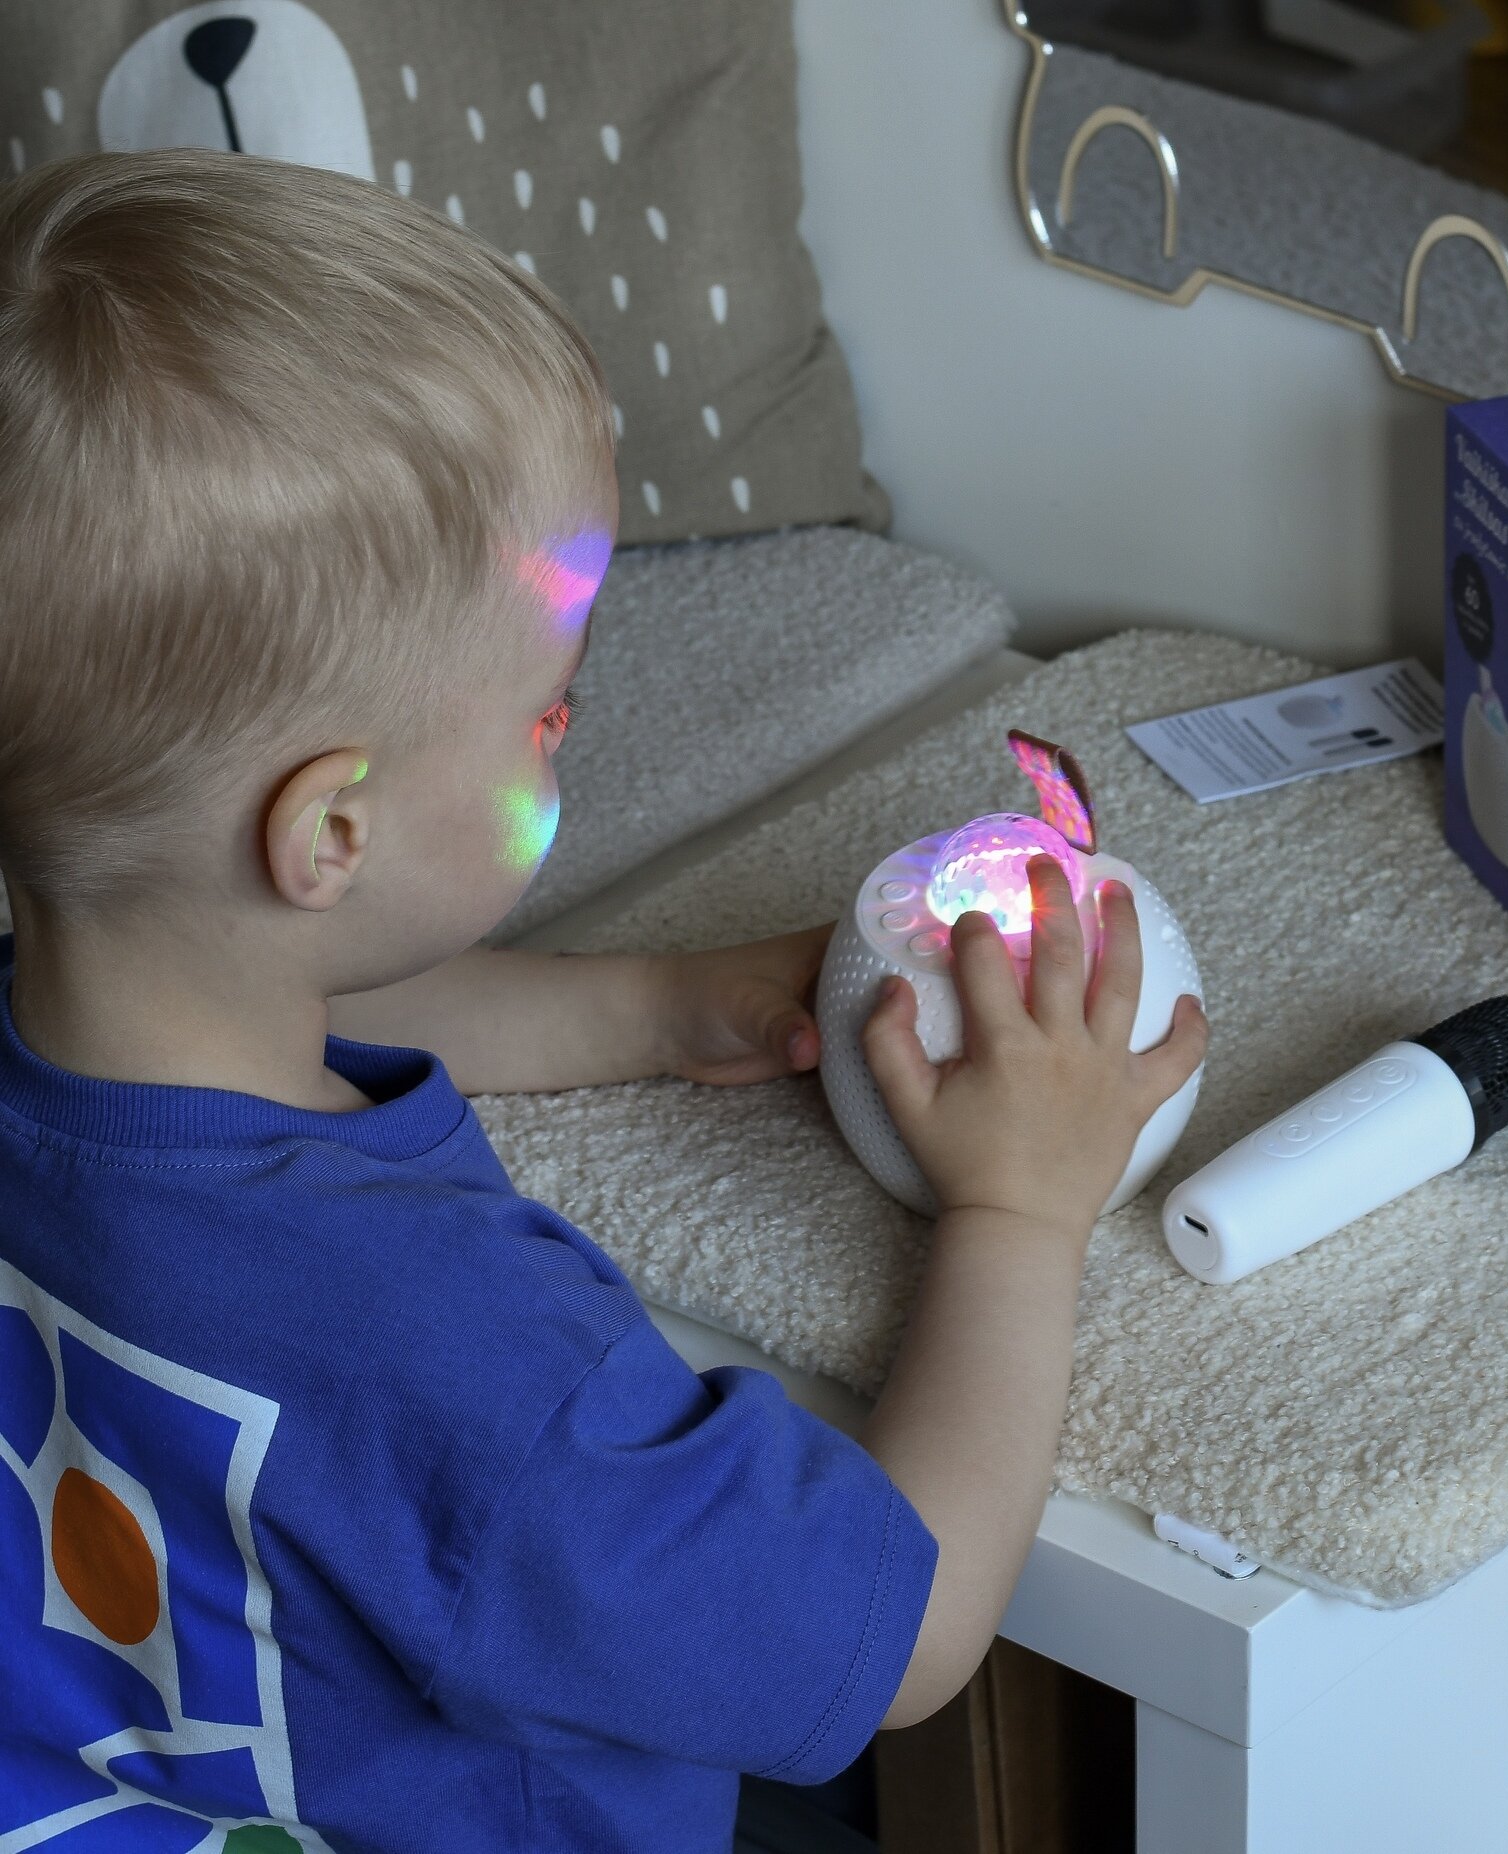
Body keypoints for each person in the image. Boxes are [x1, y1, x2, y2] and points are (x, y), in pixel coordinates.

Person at [0, 148, 1207, 1852]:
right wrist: (1020, 1206)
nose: (571, 722)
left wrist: (651, 1005)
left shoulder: (83, 1015)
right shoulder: (470, 1360)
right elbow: (906, 1641)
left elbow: (308, 1018)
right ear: (331, 832)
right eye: (548, 708)